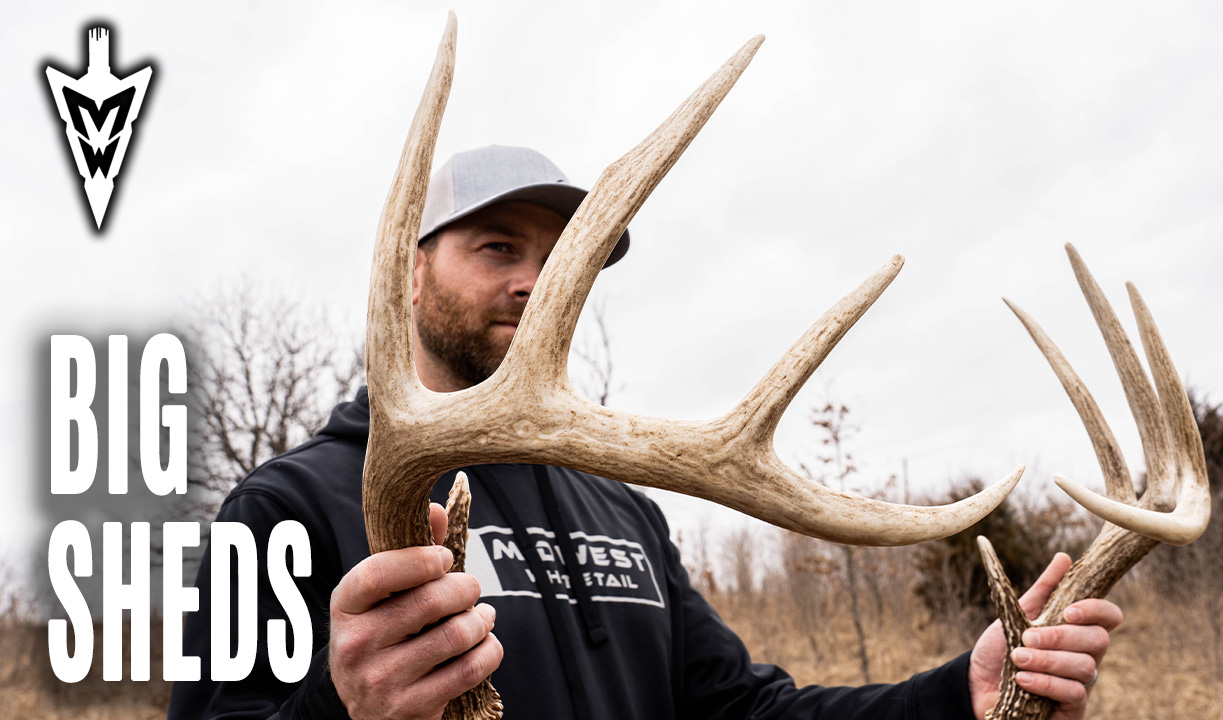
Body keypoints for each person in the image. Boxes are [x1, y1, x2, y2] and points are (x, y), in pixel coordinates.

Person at [169, 145, 1122, 720]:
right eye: (498, 247)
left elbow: (742, 711)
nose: (536, 285)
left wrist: (956, 696)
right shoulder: (285, 509)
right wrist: (341, 710)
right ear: (412, 276)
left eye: (562, 263)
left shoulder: (620, 509)